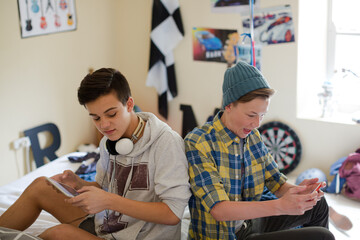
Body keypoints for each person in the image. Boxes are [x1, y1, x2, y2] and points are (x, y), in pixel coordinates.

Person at [0, 68, 191, 239]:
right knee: (40, 186)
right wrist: (79, 184)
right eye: (96, 118)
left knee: (58, 234)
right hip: (109, 226)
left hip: (141, 236)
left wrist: (110, 201)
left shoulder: (166, 142)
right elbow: (105, 187)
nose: (104, 125)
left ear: (129, 104)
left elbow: (172, 214)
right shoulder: (109, 141)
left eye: (111, 114)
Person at [184, 61, 335, 240]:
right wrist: (281, 205)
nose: (257, 124)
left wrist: (301, 194)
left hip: (252, 223)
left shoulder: (252, 136)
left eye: (262, 115)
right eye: (251, 115)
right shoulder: (199, 143)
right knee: (323, 236)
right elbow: (220, 210)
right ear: (229, 106)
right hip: (228, 236)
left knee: (317, 204)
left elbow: (276, 182)